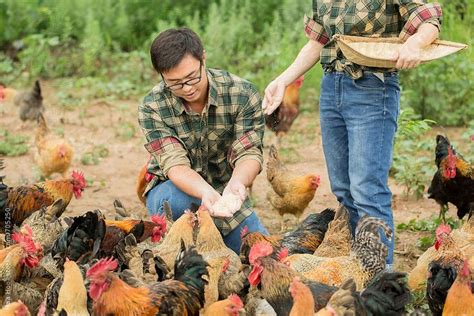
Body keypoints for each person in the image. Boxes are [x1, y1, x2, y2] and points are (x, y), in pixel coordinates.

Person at [262, 0, 442, 268]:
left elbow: (429, 19)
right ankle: (362, 264)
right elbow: (317, 42)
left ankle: (379, 278)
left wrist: (415, 44)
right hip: (332, 86)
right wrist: (282, 80)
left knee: (367, 189)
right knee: (344, 188)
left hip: (373, 88)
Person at [138, 28, 268, 254]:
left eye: (191, 77)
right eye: (175, 83)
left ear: (203, 58)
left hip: (225, 193)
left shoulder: (242, 94)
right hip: (176, 190)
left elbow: (249, 152)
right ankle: (182, 251)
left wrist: (237, 184)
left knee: (262, 251)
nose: (187, 88)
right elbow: (175, 164)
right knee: (175, 203)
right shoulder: (152, 107)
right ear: (161, 75)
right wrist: (205, 193)